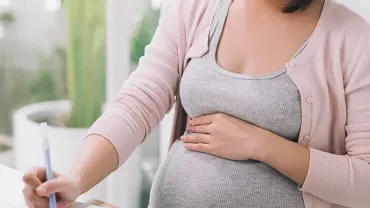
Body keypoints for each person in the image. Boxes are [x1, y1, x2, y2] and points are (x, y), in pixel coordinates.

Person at [22, 0, 370, 207]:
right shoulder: (197, 6)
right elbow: (139, 101)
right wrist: (75, 181)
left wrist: (262, 145)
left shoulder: (352, 40)